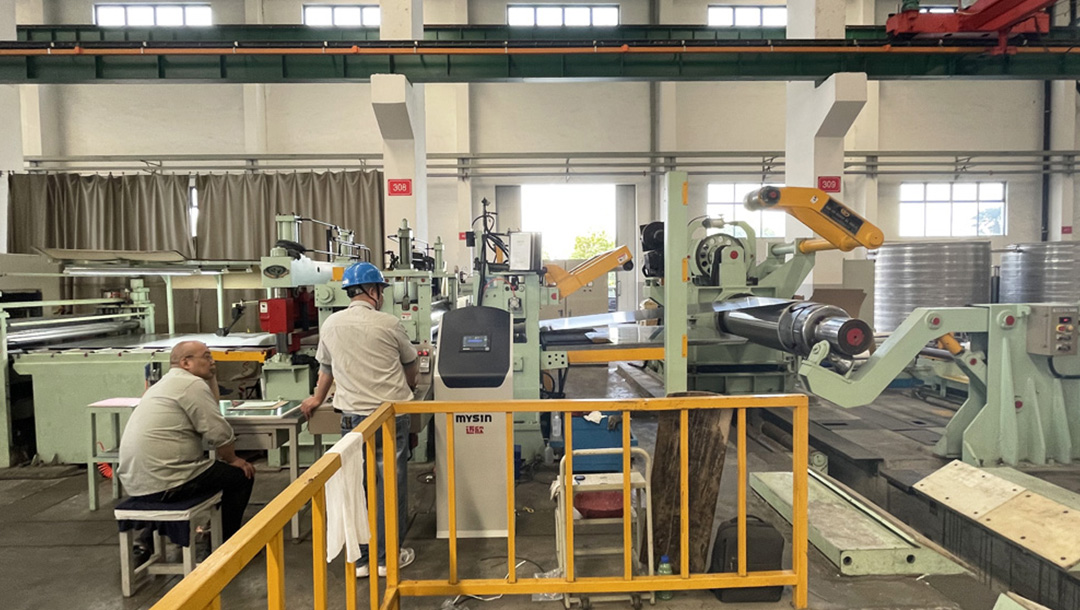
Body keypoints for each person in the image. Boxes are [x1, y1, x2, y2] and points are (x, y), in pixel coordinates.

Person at [301, 261, 418, 578]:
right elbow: (411, 364)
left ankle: (363, 559)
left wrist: (316, 398)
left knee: (358, 487)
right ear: (372, 290)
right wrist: (409, 387)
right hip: (389, 417)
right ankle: (386, 558)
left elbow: (326, 368)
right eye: (380, 289)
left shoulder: (331, 324)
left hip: (352, 420)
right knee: (390, 487)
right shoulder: (389, 323)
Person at [117, 341, 255, 555]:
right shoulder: (190, 384)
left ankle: (148, 537)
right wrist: (233, 459)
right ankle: (225, 546)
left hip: (137, 481)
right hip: (167, 480)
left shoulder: (165, 384)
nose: (212, 361)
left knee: (205, 472)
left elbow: (211, 407)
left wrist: (211, 376)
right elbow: (217, 431)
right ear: (186, 363)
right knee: (240, 476)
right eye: (206, 357)